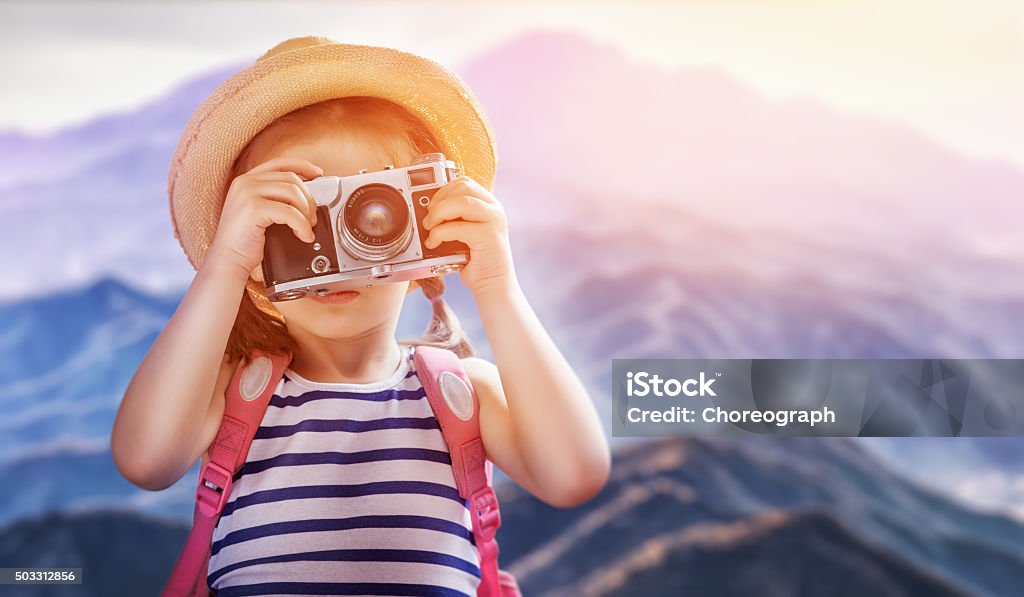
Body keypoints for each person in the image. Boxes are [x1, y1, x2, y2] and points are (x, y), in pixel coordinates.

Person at [110, 36, 609, 596]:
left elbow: (575, 476)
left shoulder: (461, 396)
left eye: (376, 215)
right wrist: (224, 267)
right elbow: (145, 461)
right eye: (297, 216)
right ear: (254, 256)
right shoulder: (232, 398)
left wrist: (497, 286)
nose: (338, 251)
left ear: (425, 242)